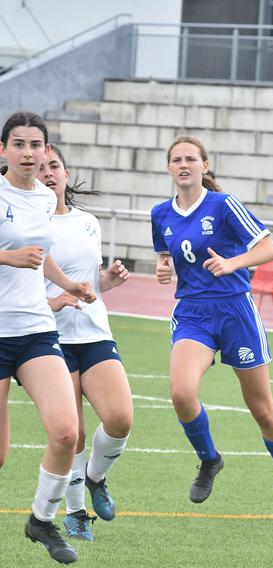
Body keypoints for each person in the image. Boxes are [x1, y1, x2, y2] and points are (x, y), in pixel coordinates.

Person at [151, 136, 273, 522]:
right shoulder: (160, 213)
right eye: (177, 159)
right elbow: (166, 251)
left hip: (236, 312)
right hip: (193, 313)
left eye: (191, 158)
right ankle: (209, 460)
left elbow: (269, 249)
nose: (184, 164)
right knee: (181, 392)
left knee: (262, 409)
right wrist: (162, 267)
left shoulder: (223, 205)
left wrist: (233, 262)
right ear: (169, 168)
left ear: (205, 166)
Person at [0, 110, 97, 564]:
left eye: (35, 145)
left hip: (35, 327)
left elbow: (40, 256)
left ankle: (41, 519)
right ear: (3, 150)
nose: (28, 153)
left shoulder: (42, 197)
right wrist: (6, 257)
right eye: (18, 144)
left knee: (65, 431)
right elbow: (20, 255)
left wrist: (67, 283)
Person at [40, 144, 133, 541]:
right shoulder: (24, 225)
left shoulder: (88, 222)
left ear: (65, 173)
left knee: (120, 418)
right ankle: (76, 512)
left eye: (54, 166)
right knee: (72, 430)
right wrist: (54, 301)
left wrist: (108, 279)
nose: (47, 172)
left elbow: (91, 284)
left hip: (94, 332)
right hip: (48, 339)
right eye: (40, 167)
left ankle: (96, 477)